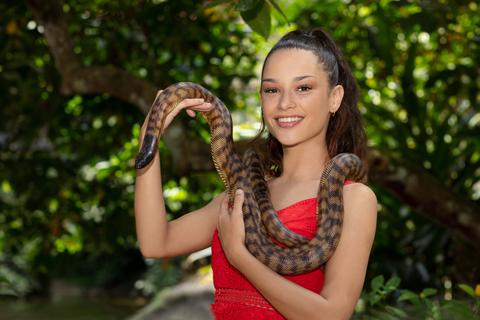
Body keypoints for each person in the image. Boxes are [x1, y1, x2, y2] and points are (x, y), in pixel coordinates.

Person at [134, 29, 377, 319]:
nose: (285, 103)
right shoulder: (242, 193)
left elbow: (331, 315)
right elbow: (155, 242)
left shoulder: (353, 197)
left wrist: (240, 256)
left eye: (303, 88)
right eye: (272, 90)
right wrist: (148, 138)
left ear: (335, 98)